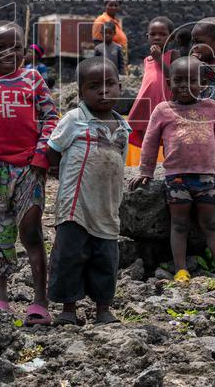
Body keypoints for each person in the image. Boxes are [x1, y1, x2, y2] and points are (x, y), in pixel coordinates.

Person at [0, 21, 58, 324]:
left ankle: (40, 301)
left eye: (15, 47)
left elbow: (50, 117)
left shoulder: (33, 79)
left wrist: (41, 155)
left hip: (28, 170)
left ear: (24, 49)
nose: (8, 53)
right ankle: (1, 298)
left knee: (30, 231)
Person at [129, 56, 215, 284]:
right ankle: (181, 269)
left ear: (203, 84)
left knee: (210, 223)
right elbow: (149, 141)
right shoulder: (163, 110)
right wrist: (145, 172)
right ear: (168, 82)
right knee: (179, 224)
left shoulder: (210, 107)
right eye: (178, 80)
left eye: (191, 81)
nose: (184, 86)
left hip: (207, 176)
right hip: (176, 178)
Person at [47, 56, 130, 325]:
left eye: (110, 84)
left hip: (107, 205)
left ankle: (103, 308)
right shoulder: (74, 119)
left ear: (120, 86)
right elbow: (52, 151)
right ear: (81, 92)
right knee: (70, 255)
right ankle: (68, 309)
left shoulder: (122, 127)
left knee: (105, 259)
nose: (103, 91)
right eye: (94, 86)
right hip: (76, 205)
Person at [126, 16, 175, 167]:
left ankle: (172, 168)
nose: (157, 38)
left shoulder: (174, 55)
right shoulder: (147, 60)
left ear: (171, 37)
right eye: (153, 34)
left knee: (169, 139)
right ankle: (146, 168)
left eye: (162, 34)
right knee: (149, 139)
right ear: (147, 37)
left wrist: (159, 58)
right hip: (149, 106)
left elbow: (172, 77)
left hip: (167, 105)